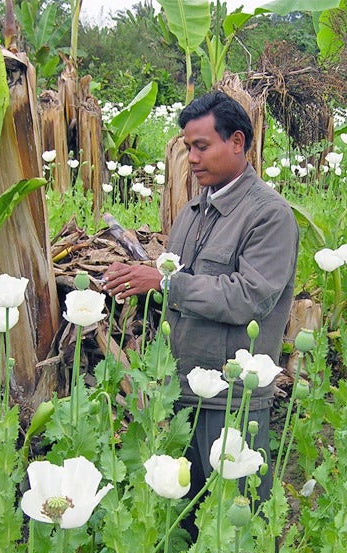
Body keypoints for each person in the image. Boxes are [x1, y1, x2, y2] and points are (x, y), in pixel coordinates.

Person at [102, 91, 299, 504]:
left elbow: (249, 297)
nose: (191, 158)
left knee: (236, 520)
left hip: (231, 400)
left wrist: (163, 282)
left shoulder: (269, 215)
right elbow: (182, 296)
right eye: (188, 147)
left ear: (238, 142)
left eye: (202, 146)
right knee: (187, 518)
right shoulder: (192, 212)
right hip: (180, 393)